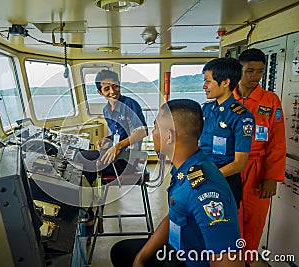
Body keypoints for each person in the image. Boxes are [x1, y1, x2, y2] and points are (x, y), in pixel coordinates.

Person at [110, 99, 243, 267]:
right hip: (177, 248)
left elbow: (229, 262)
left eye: (156, 127)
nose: (153, 132)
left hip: (189, 261)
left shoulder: (205, 192)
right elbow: (175, 215)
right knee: (121, 251)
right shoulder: (186, 167)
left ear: (169, 136)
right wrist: (141, 258)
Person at [233, 48, 286, 265]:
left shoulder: (270, 100)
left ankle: (246, 262)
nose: (255, 76)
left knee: (254, 221)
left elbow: (277, 141)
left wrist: (271, 177)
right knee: (229, 218)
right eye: (249, 71)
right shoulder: (226, 97)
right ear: (239, 71)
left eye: (260, 72)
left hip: (258, 169)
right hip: (231, 167)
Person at [74, 69, 148, 223]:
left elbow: (142, 131)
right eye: (106, 89)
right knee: (80, 156)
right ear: (100, 92)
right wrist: (106, 139)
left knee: (81, 159)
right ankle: (88, 208)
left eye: (115, 86)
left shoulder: (130, 104)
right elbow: (118, 134)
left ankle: (88, 211)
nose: (112, 91)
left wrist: (117, 146)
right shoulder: (106, 110)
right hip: (115, 156)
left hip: (127, 160)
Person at [199, 58, 255, 208]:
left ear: (225, 82)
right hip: (203, 172)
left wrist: (210, 177)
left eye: (208, 81)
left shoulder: (242, 117)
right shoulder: (206, 109)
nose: (204, 86)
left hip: (225, 180)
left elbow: (239, 163)